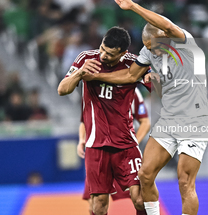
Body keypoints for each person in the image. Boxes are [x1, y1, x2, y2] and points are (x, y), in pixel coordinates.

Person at [85, 0, 208, 215]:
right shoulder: (149, 49)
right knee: (145, 174)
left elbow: (169, 26)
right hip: (169, 120)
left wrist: (133, 7)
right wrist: (95, 76)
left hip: (194, 121)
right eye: (147, 48)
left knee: (184, 181)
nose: (151, 52)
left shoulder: (183, 41)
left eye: (153, 46)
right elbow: (130, 76)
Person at [57, 26, 149, 215]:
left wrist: (153, 77)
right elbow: (62, 89)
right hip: (96, 144)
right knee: (98, 206)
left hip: (126, 143)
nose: (103, 55)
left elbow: (157, 85)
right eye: (102, 49)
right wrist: (80, 73)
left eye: (110, 54)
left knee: (140, 198)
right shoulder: (86, 58)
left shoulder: (134, 64)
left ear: (123, 53)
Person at [78, 87, 151, 214]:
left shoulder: (131, 89)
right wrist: (81, 139)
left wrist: (134, 142)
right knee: (96, 205)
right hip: (98, 150)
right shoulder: (92, 87)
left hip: (125, 152)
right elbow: (85, 118)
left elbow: (145, 121)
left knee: (140, 198)